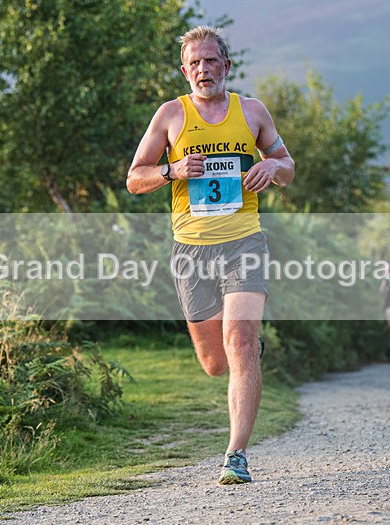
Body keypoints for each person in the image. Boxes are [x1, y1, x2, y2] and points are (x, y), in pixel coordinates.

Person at [126, 25, 294, 485]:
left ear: (226, 65)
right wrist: (171, 169)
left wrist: (271, 167)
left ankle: (236, 454)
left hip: (245, 242)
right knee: (214, 362)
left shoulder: (252, 112)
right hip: (191, 251)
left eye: (211, 60)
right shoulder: (170, 116)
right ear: (185, 71)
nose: (204, 69)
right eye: (194, 63)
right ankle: (246, 351)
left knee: (238, 343)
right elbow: (134, 178)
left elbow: (288, 167)